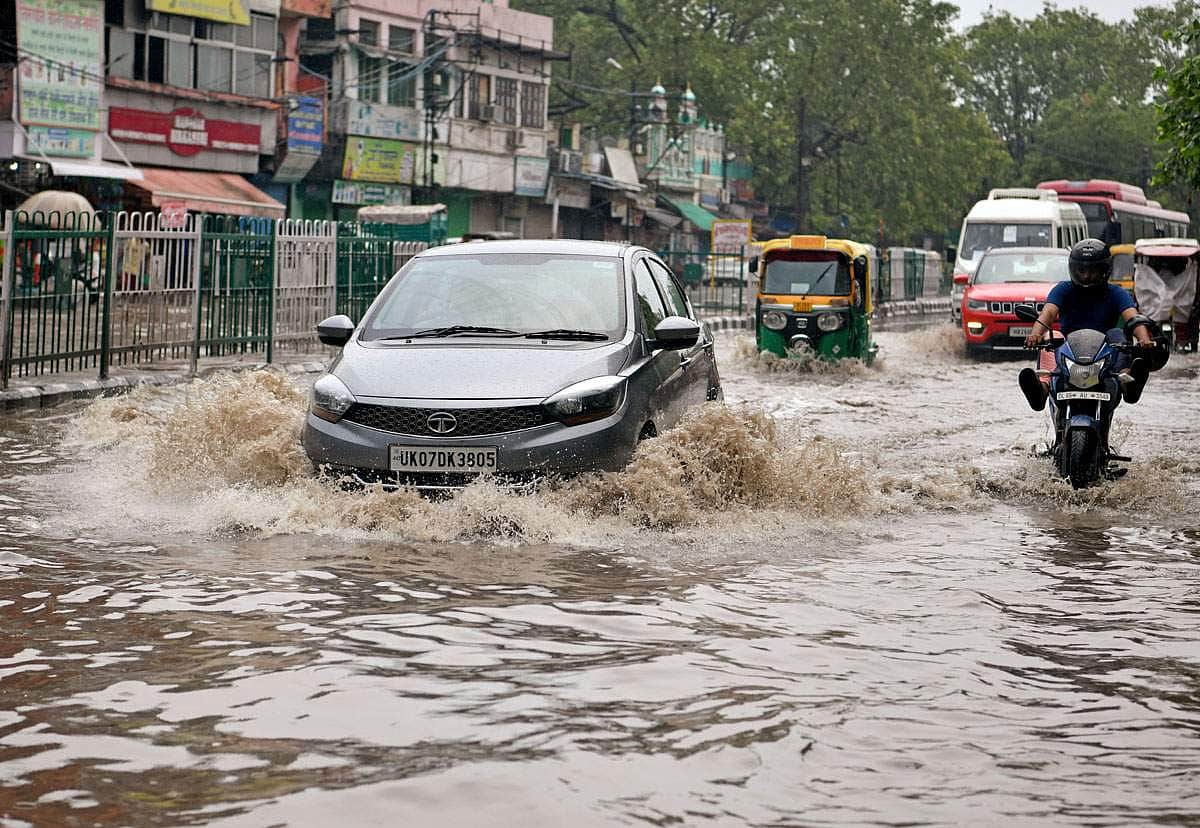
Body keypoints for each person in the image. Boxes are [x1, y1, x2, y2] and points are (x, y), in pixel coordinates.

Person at [1018, 238, 1154, 411]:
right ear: (1073, 269)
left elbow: (1132, 318)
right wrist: (1036, 334)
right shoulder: (1063, 289)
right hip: (1068, 351)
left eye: (1093, 271)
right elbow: (1048, 313)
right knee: (1052, 337)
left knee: (1118, 334)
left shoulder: (1117, 293)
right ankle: (1042, 388)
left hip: (1105, 353)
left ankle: (1127, 381)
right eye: (1082, 270)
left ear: (1105, 270)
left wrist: (1143, 339)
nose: (1087, 276)